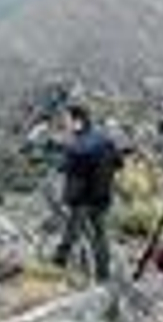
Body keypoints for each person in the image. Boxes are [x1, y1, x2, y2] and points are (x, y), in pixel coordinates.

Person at [51, 102, 122, 281]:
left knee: (71, 233)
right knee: (100, 236)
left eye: (68, 120)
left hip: (83, 198)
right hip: (102, 197)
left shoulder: (78, 144)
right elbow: (119, 163)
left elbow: (66, 166)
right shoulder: (105, 140)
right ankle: (103, 274)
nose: (65, 124)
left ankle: (57, 265)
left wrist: (61, 157)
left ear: (78, 121)